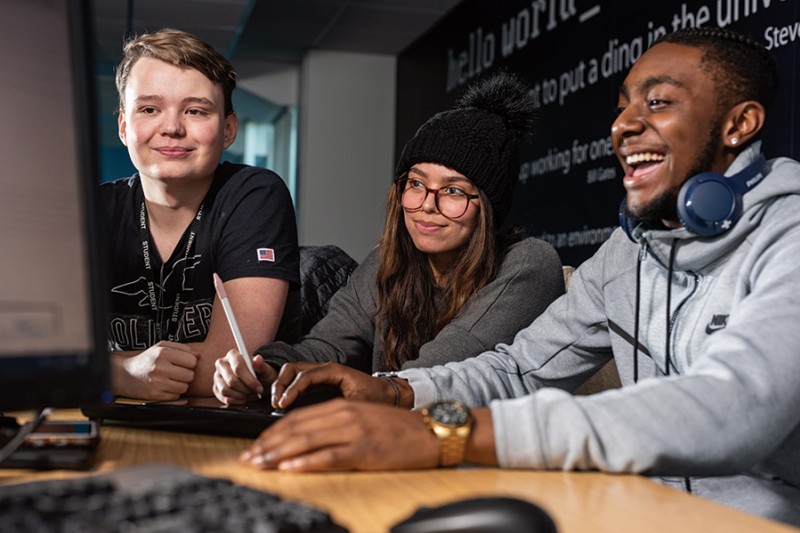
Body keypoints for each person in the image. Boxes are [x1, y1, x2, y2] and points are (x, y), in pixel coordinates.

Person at [234, 28, 800, 526]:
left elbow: (730, 407)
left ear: (739, 124)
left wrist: (444, 435)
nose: (624, 124)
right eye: (623, 105)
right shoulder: (627, 251)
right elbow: (522, 368)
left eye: (658, 102)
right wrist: (397, 390)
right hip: (641, 513)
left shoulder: (790, 234)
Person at [212, 72, 565, 405]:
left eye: (454, 191)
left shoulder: (528, 263)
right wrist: (265, 370)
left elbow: (446, 367)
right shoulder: (387, 262)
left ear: (487, 207)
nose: (427, 205)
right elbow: (326, 345)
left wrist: (367, 386)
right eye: (415, 184)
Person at [100, 29, 300, 401]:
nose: (172, 127)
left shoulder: (255, 195)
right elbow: (37, 361)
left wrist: (100, 369)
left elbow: (228, 366)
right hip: (121, 418)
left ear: (228, 129)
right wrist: (121, 372)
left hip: (222, 427)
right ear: (125, 127)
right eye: (149, 109)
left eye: (195, 110)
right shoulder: (91, 213)